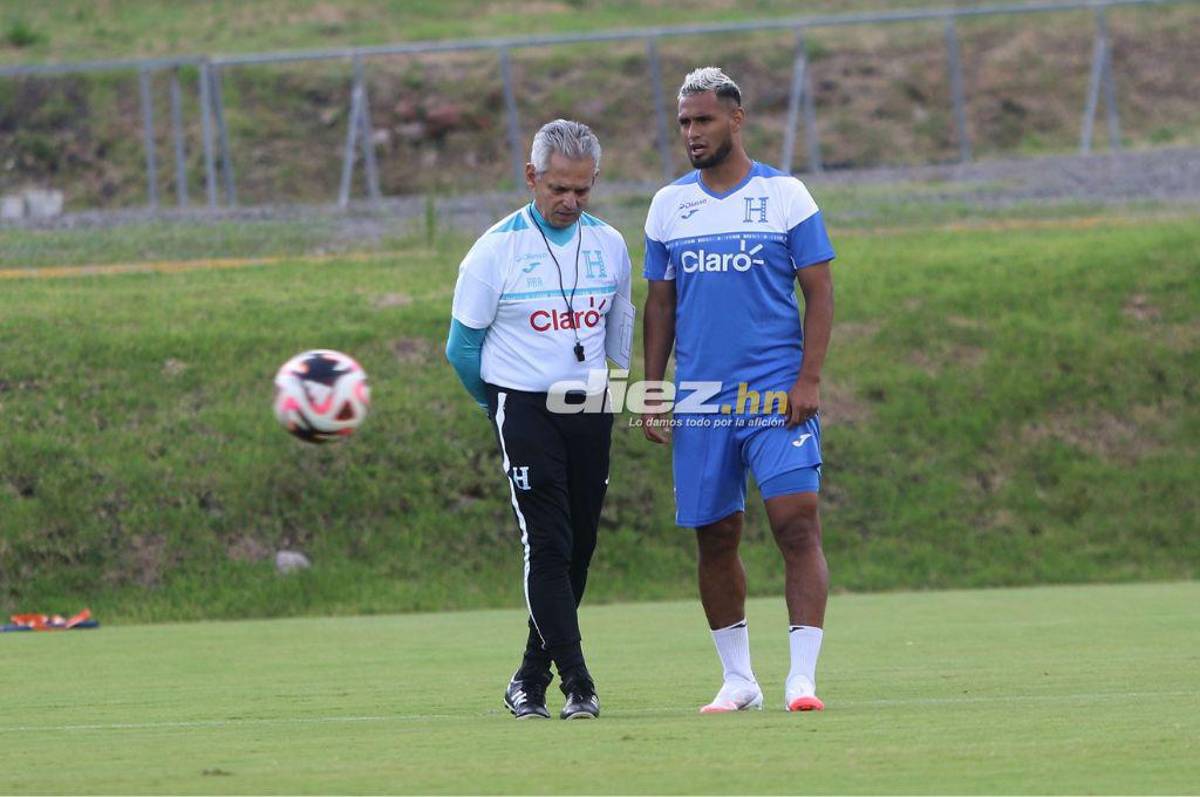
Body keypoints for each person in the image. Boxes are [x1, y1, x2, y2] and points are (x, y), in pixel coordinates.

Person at [641, 67, 836, 713]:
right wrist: (652, 388)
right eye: (684, 123)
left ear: (736, 118)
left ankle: (801, 679)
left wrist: (809, 378)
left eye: (704, 119)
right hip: (701, 400)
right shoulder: (669, 206)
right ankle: (739, 679)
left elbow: (820, 293)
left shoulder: (786, 195)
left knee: (795, 522)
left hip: (775, 393)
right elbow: (660, 304)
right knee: (716, 535)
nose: (692, 132)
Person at [446, 119, 632, 720]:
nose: (570, 201)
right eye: (558, 189)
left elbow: (618, 329)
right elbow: (461, 348)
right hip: (524, 407)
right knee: (548, 543)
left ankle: (529, 676)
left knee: (580, 546)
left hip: (591, 406)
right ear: (531, 177)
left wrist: (620, 388)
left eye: (582, 189)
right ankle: (579, 683)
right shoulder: (495, 250)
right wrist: (495, 407)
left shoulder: (610, 244)